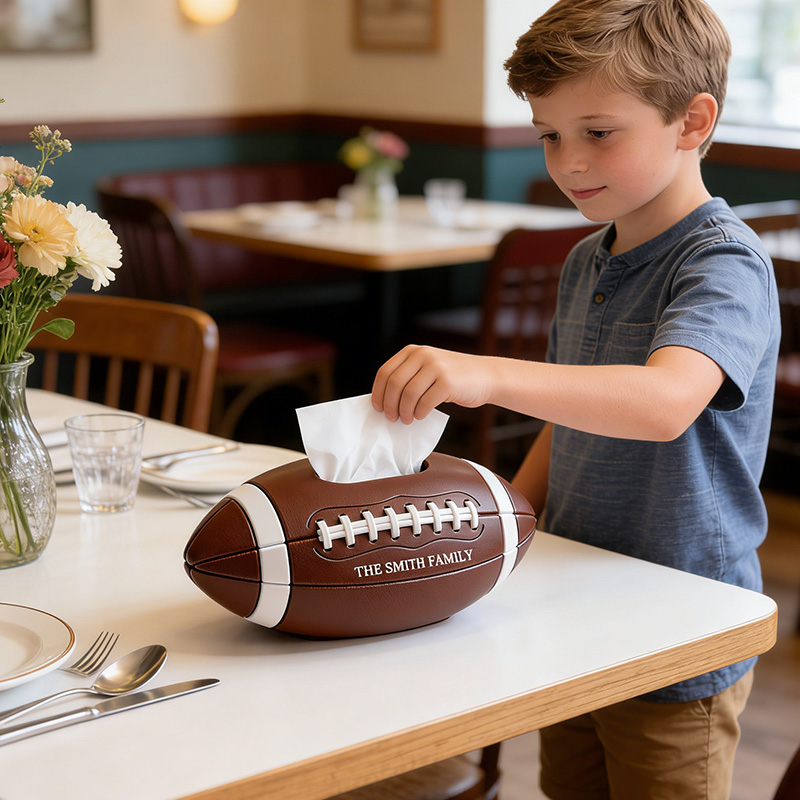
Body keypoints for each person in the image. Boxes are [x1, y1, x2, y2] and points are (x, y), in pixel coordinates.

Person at [371, 1, 781, 798]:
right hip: (579, 605)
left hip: (679, 629)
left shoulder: (724, 263)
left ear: (693, 121)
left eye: (598, 132)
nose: (568, 163)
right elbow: (570, 420)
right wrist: (502, 529)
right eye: (548, 135)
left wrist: (485, 373)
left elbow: (665, 402)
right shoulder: (585, 259)